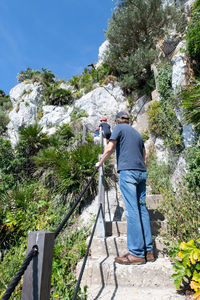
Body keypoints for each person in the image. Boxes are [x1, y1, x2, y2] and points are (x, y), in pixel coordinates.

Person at [96, 111, 155, 265]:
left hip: (128, 173)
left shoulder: (119, 128)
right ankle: (148, 251)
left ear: (117, 121)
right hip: (141, 172)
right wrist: (142, 170)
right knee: (142, 209)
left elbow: (109, 148)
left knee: (132, 210)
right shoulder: (137, 133)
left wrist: (100, 163)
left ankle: (136, 253)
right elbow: (145, 156)